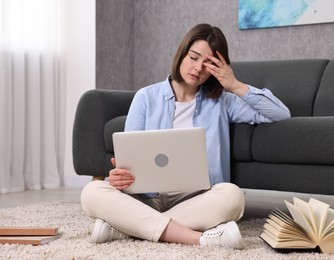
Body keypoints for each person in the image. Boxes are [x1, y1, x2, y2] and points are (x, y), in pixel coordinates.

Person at [80, 23, 290, 250]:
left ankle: (127, 227)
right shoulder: (146, 97)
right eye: (194, 57)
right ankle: (196, 238)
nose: (198, 68)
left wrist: (234, 84)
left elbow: (280, 113)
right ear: (182, 53)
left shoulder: (222, 102)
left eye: (207, 64)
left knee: (233, 197)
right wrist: (120, 175)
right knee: (92, 192)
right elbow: (129, 156)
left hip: (195, 198)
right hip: (145, 196)